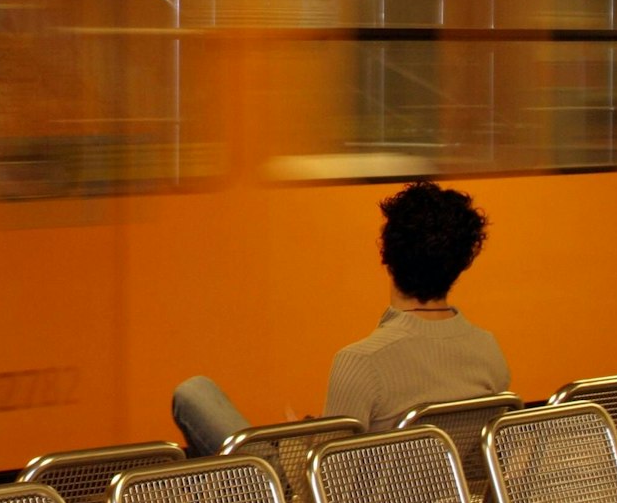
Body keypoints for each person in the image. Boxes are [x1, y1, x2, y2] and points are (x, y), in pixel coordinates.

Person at [171, 180, 508, 455]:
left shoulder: (361, 361)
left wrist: (298, 442)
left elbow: (328, 488)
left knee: (194, 393)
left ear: (386, 256)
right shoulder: (488, 352)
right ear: (462, 264)